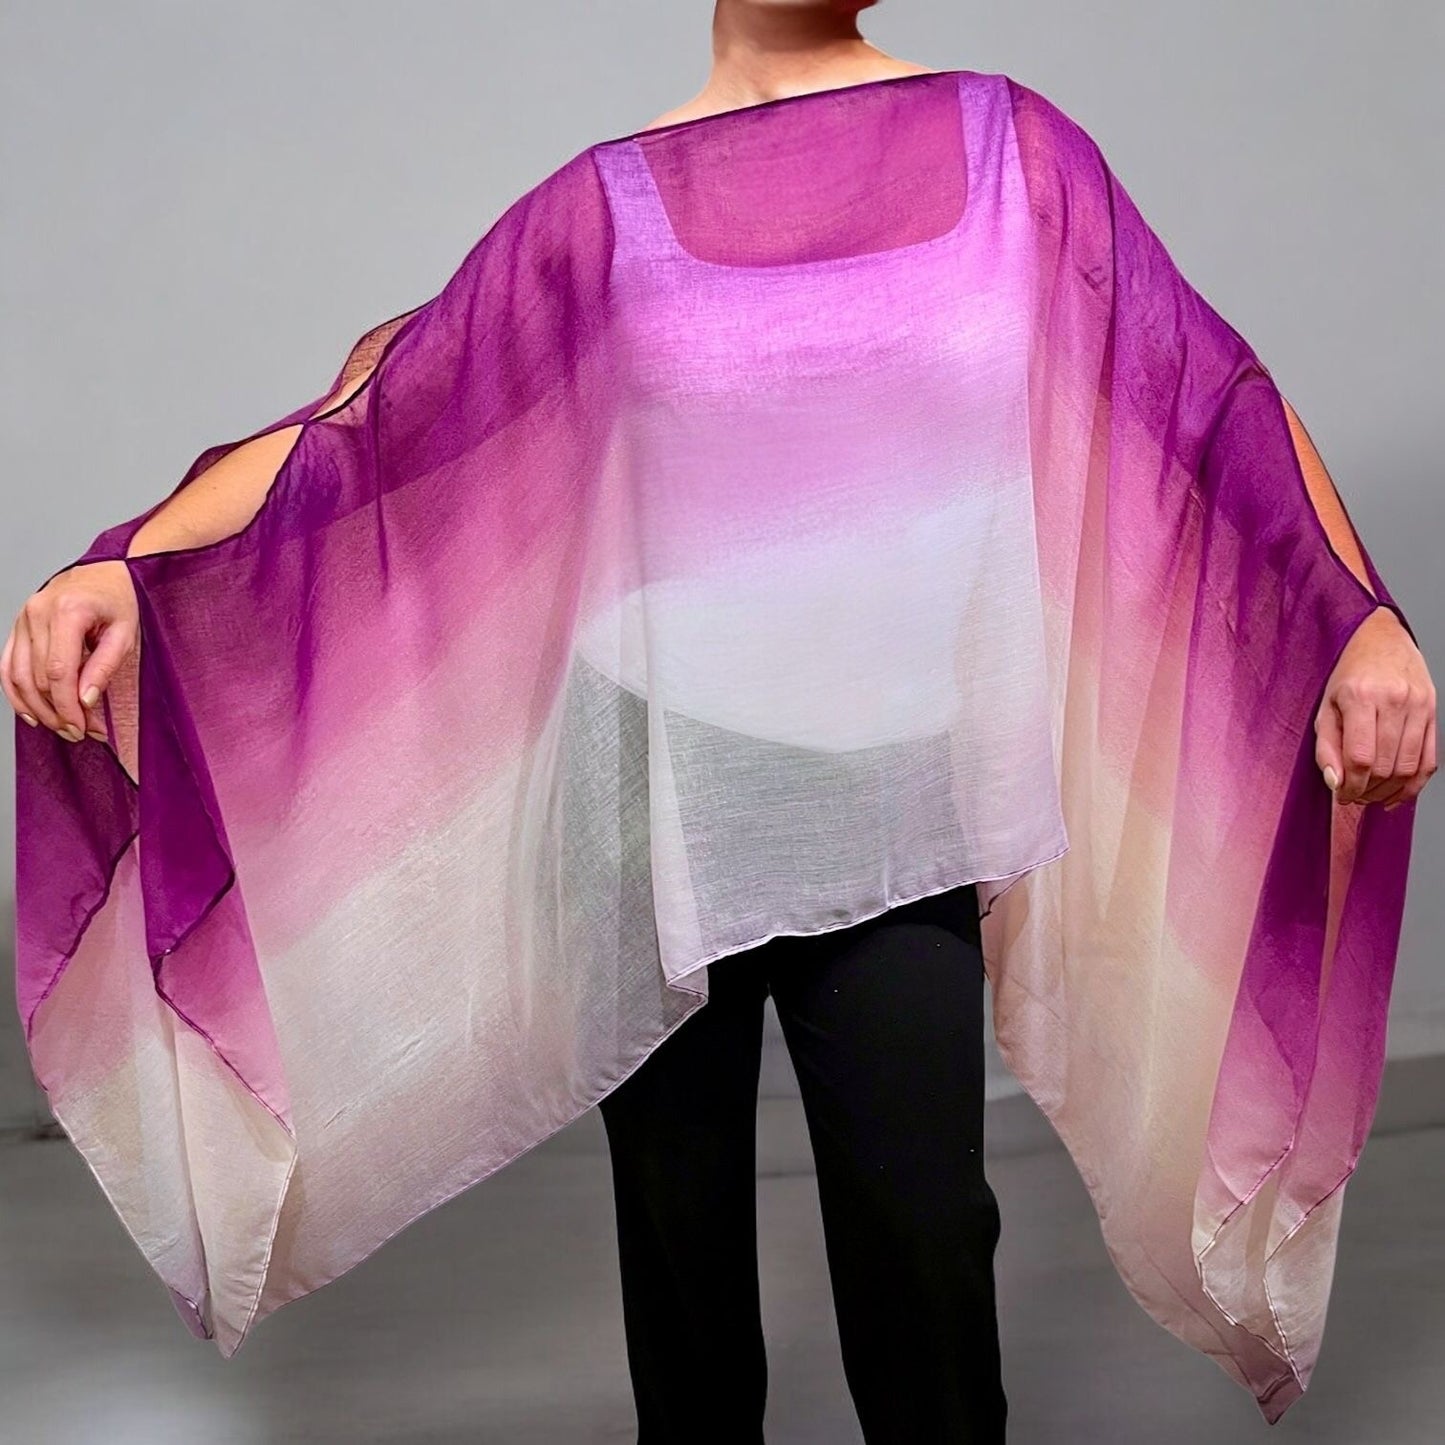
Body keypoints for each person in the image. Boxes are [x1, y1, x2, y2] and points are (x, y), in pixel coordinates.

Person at [5, 5, 1433, 1443]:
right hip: (643, 788)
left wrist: (1355, 615)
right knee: (680, 1258)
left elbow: (1207, 398)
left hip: (890, 793)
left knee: (924, 1239)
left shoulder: (1015, 153)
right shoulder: (605, 208)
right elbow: (374, 418)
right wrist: (133, 566)